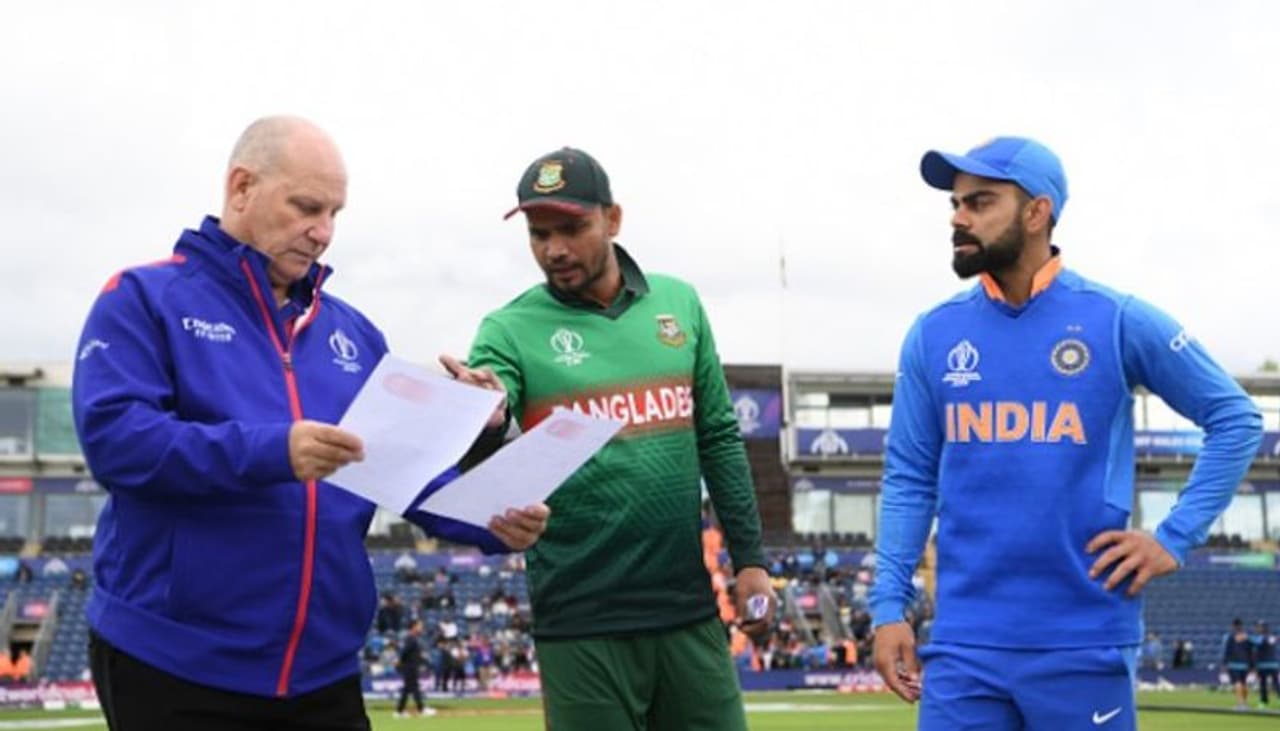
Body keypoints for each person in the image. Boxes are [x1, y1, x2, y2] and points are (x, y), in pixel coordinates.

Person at [71, 116, 550, 731]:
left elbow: (401, 470)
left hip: (323, 672)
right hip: (173, 664)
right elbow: (118, 443)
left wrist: (492, 517)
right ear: (241, 187)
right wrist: (275, 451)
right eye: (306, 207)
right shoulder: (143, 298)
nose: (322, 232)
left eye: (334, 213)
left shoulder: (354, 333)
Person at [870, 136, 1262, 730]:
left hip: (1085, 640)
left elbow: (1236, 419)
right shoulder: (934, 334)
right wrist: (886, 607)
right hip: (964, 644)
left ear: (1037, 212)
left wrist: (1174, 537)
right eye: (955, 204)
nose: (958, 217)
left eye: (980, 202)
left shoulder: (1115, 319)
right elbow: (908, 478)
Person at [449, 147, 774, 730]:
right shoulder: (508, 329)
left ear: (613, 219)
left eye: (572, 228)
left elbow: (720, 438)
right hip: (580, 618)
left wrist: (749, 560)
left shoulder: (680, 305)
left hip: (686, 610)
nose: (555, 249)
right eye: (539, 233)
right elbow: (484, 447)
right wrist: (486, 416)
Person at [394, 620, 434, 718]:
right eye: (419, 626)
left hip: (411, 666)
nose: (421, 628)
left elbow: (412, 653)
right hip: (410, 667)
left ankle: (400, 711)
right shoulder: (411, 638)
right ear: (414, 627)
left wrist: (424, 660)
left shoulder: (412, 638)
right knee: (414, 688)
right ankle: (421, 709)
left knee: (407, 689)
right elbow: (405, 652)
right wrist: (399, 661)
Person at [1224, 618, 1255, 710]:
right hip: (1245, 664)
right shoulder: (1247, 637)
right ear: (1241, 626)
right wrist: (1252, 665)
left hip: (1234, 664)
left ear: (1233, 626)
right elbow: (1251, 651)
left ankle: (1240, 704)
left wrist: (1224, 664)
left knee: (1237, 683)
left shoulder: (1230, 637)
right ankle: (1245, 703)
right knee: (1244, 683)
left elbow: (1227, 651)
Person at [1253, 620, 1278, 708]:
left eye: (1259, 626)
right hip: (1264, 664)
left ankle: (1264, 702)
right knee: (1263, 684)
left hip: (1270, 664)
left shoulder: (1265, 637)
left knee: (1275, 684)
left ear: (1265, 628)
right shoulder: (1267, 637)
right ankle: (1264, 702)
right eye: (1257, 626)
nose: (1257, 628)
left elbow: (1259, 644)